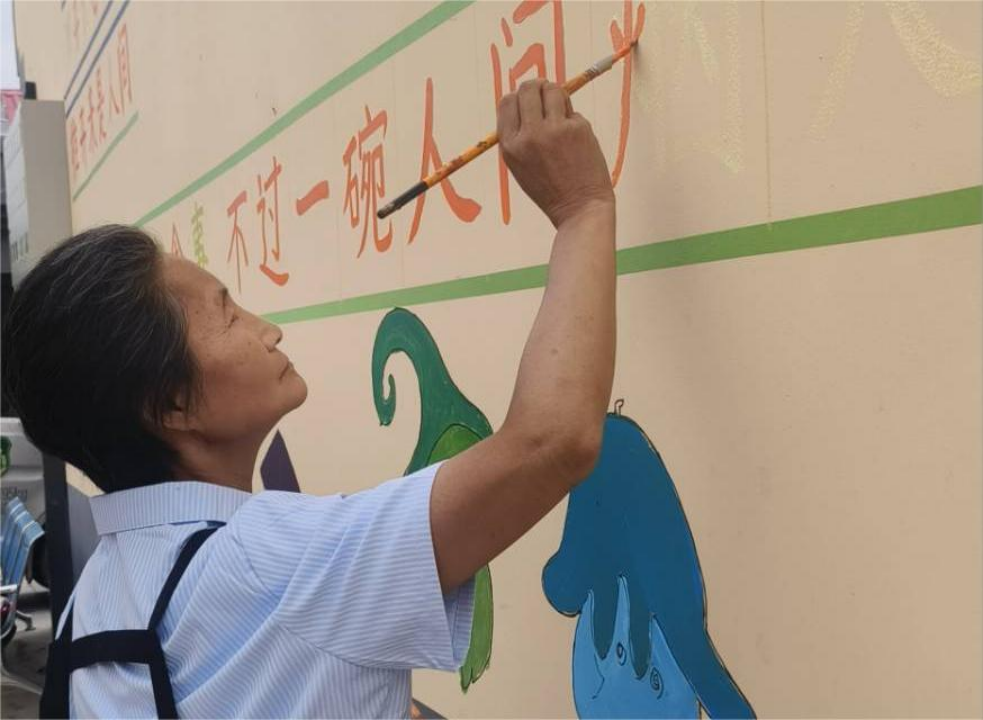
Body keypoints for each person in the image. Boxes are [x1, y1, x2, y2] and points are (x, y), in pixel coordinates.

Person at [1, 78, 616, 719]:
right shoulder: (277, 561)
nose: (268, 330)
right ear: (173, 405)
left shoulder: (94, 599)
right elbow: (552, 440)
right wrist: (582, 208)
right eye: (227, 315)